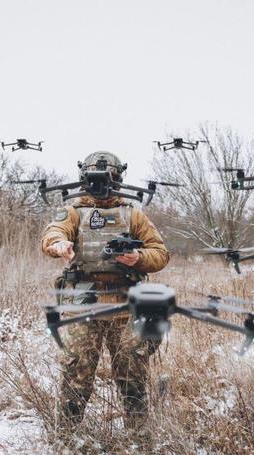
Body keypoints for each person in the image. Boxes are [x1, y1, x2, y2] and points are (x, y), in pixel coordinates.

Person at [41, 151, 170, 433]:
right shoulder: (74, 212)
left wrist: (138, 258)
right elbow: (53, 233)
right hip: (83, 303)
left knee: (133, 373)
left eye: (107, 179)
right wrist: (59, 245)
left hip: (127, 306)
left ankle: (138, 435)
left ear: (117, 179)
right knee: (77, 372)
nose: (100, 185)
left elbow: (160, 253)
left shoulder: (133, 214)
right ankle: (67, 435)